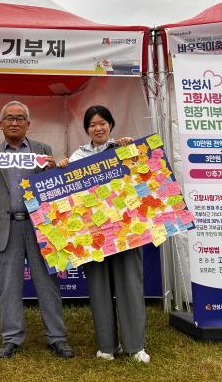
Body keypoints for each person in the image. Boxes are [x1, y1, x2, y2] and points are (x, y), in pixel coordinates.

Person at [0, 101, 74, 360]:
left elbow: (55, 188)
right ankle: (11, 338)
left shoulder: (43, 151)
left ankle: (57, 337)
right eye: (9, 118)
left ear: (28, 124)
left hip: (39, 227)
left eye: (20, 118)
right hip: (6, 227)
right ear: (1, 124)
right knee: (8, 287)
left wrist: (56, 172)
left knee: (47, 284)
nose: (14, 122)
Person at [58, 105, 150, 364]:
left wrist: (132, 151)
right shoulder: (77, 156)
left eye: (102, 123)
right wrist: (63, 168)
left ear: (111, 125)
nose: (98, 128)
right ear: (86, 129)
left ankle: (135, 346)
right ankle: (107, 345)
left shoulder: (123, 148)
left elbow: (145, 176)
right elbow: (66, 192)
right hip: (93, 233)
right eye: (92, 124)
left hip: (126, 231)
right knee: (98, 287)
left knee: (130, 286)